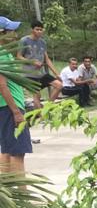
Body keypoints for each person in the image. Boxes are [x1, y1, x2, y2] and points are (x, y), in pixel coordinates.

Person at [0, 17, 32, 175]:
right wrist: (16, 112)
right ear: (1, 33)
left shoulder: (4, 52)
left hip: (6, 108)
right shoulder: (2, 54)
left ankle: (5, 188)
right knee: (17, 153)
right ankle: (21, 190)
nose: (15, 35)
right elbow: (2, 85)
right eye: (12, 31)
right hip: (10, 109)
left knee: (7, 151)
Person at [17, 20, 60, 108]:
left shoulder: (43, 42)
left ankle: (47, 108)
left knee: (59, 85)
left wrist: (56, 74)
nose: (39, 31)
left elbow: (47, 59)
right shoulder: (24, 41)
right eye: (37, 29)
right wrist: (32, 61)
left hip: (41, 73)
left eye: (41, 30)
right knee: (37, 95)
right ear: (32, 30)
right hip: (29, 74)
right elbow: (19, 56)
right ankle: (40, 115)